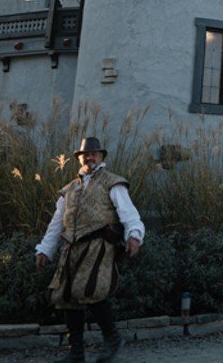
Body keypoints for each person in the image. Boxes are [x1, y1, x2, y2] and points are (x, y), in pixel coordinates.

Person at [34, 137, 145, 363]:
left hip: (98, 245)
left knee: (90, 289)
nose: (90, 157)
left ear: (101, 157)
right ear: (79, 158)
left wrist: (134, 236)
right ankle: (76, 353)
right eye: (86, 154)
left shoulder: (113, 183)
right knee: (66, 296)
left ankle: (112, 338)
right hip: (71, 248)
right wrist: (45, 249)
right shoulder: (70, 189)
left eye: (94, 153)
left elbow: (129, 213)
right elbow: (57, 223)